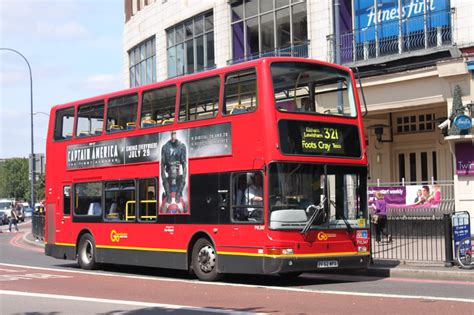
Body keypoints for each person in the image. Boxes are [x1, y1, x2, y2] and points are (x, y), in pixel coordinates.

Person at [160, 130, 187, 213]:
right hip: (168, 190)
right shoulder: (165, 147)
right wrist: (168, 193)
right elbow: (162, 165)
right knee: (164, 209)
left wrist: (178, 193)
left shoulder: (182, 146)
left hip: (179, 191)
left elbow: (184, 164)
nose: (173, 135)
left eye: (174, 133)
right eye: (172, 133)